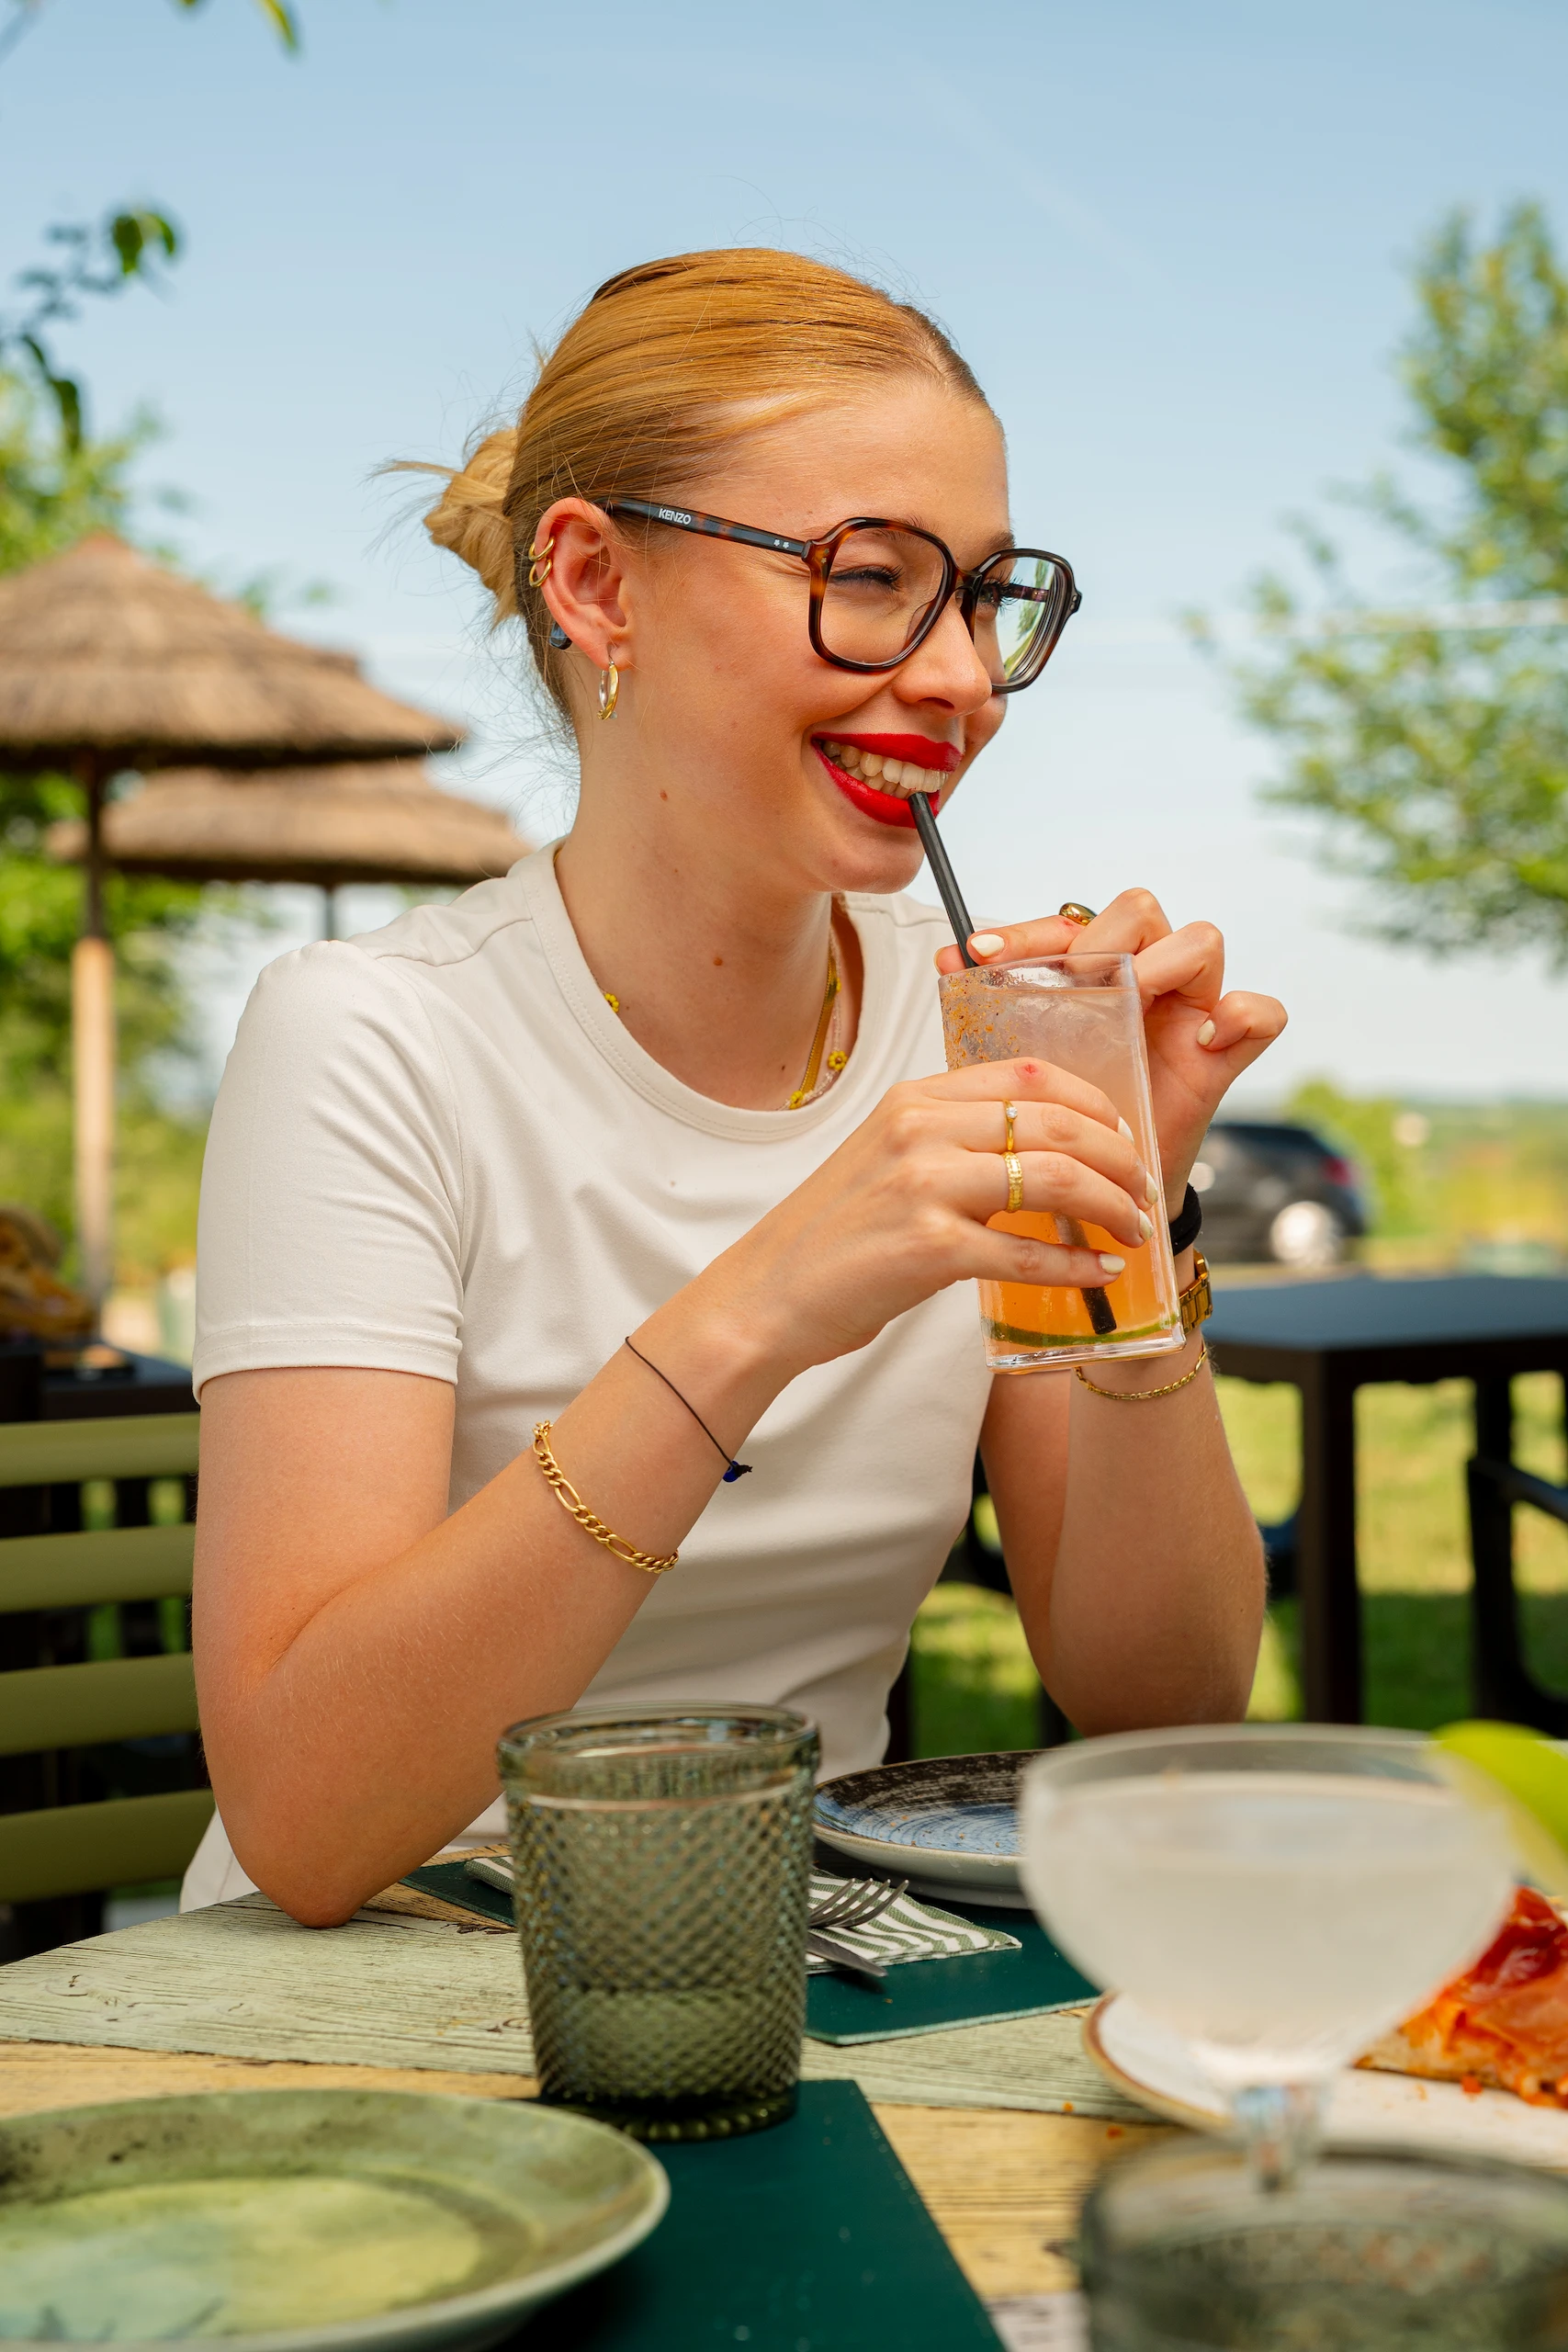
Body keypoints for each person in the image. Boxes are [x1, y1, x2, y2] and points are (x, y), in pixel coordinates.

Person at [184, 248, 1285, 1928]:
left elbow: (1161, 1705)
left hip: (819, 1954)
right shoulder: (369, 1035)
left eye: (985, 596)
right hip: (379, 1999)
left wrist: (1127, 1229)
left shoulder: (970, 1032)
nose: (961, 679)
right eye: (871, 578)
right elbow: (309, 1822)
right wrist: (765, 1298)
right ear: (597, 588)